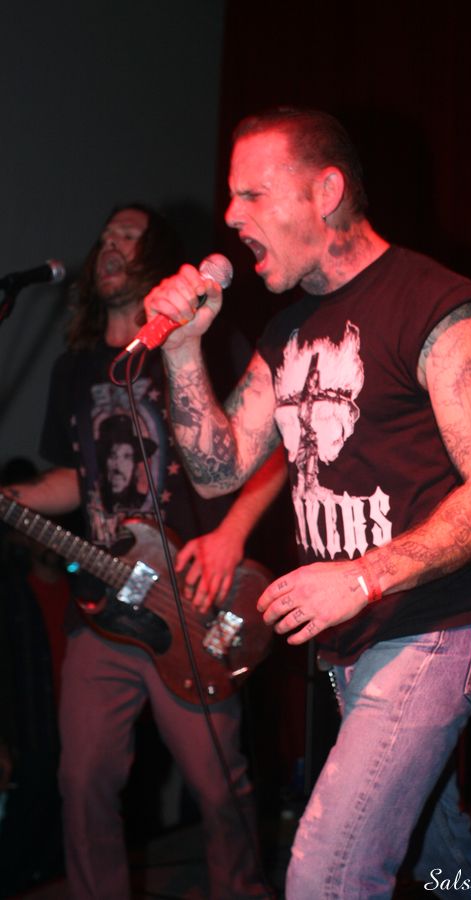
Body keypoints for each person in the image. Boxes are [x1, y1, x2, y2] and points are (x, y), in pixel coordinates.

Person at [144, 107, 471, 899]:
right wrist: (181, 350)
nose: (230, 217)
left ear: (326, 192)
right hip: (357, 645)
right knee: (450, 866)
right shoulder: (287, 329)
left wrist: (360, 577)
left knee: (328, 874)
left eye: (252, 195)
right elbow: (218, 469)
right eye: (231, 197)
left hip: (434, 628)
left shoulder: (440, 307)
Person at [0, 203, 285, 899]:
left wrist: (229, 536)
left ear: (156, 255)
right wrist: (13, 500)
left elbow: (273, 451)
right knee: (82, 780)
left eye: (128, 236)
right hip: (103, 607)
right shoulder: (74, 370)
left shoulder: (199, 342)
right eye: (106, 236)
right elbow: (77, 477)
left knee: (218, 789)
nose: (111, 245)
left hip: (191, 600)